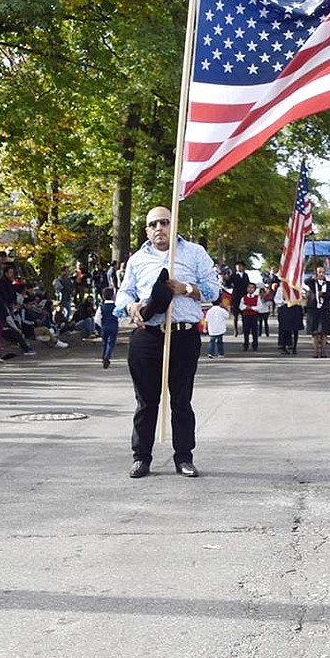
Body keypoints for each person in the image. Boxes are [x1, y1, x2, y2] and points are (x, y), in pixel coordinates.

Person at [114, 205, 219, 478]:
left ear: (173, 225)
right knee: (146, 401)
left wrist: (184, 288)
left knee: (181, 400)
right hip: (148, 335)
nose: (159, 228)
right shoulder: (138, 259)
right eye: (153, 224)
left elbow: (213, 291)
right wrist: (131, 308)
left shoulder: (195, 253)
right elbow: (123, 294)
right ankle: (141, 457)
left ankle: (184, 457)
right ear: (147, 230)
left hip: (183, 334)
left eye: (164, 222)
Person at [303, 264, 330, 358]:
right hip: (313, 310)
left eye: (323, 272)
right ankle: (315, 352)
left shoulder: (329, 284)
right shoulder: (313, 283)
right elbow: (306, 282)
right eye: (319, 272)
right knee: (315, 332)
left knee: (323, 332)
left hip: (324, 310)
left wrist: (324, 295)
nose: (321, 274)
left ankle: (323, 351)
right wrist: (312, 278)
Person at [94, 288, 120, 369]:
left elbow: (97, 318)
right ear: (113, 296)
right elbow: (119, 316)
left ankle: (103, 356)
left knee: (104, 343)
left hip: (104, 326)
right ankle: (107, 357)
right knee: (111, 343)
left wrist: (101, 325)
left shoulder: (101, 306)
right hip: (114, 326)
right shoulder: (116, 306)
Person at [228, 262, 249, 335]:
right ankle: (235, 330)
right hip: (236, 296)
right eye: (237, 266)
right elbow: (228, 284)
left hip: (244, 296)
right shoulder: (233, 275)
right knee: (235, 315)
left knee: (244, 315)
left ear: (243, 267)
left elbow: (247, 285)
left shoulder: (246, 275)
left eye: (240, 266)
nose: (238, 268)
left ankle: (244, 329)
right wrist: (226, 279)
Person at [240, 284, 260, 351]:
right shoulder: (244, 297)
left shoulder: (257, 297)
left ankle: (255, 345)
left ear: (254, 289)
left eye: (252, 288)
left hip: (254, 316)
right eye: (249, 287)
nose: (250, 289)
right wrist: (246, 307)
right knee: (246, 331)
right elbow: (241, 307)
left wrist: (251, 308)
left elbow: (259, 307)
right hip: (246, 316)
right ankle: (246, 345)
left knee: (255, 331)